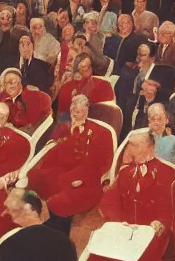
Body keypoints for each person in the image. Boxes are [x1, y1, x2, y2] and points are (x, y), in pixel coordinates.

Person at [81, 131, 175, 261]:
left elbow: (169, 209)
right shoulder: (125, 172)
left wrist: (160, 223)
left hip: (153, 239)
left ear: (149, 147)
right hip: (125, 234)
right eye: (130, 145)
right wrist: (119, 222)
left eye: (134, 145)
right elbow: (112, 201)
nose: (129, 149)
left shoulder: (168, 172)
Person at [21, 94, 114, 234]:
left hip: (88, 178)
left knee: (62, 201)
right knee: (34, 177)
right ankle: (38, 225)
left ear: (87, 110)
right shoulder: (63, 128)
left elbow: (104, 163)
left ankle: (57, 234)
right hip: (62, 172)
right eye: (73, 111)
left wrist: (83, 178)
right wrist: (70, 135)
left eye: (80, 111)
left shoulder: (102, 132)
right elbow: (53, 157)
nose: (76, 115)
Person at [0, 68, 52, 133]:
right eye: (8, 82)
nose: (12, 84)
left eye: (15, 82)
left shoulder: (37, 97)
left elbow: (32, 125)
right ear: (4, 86)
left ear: (20, 83)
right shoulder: (3, 98)